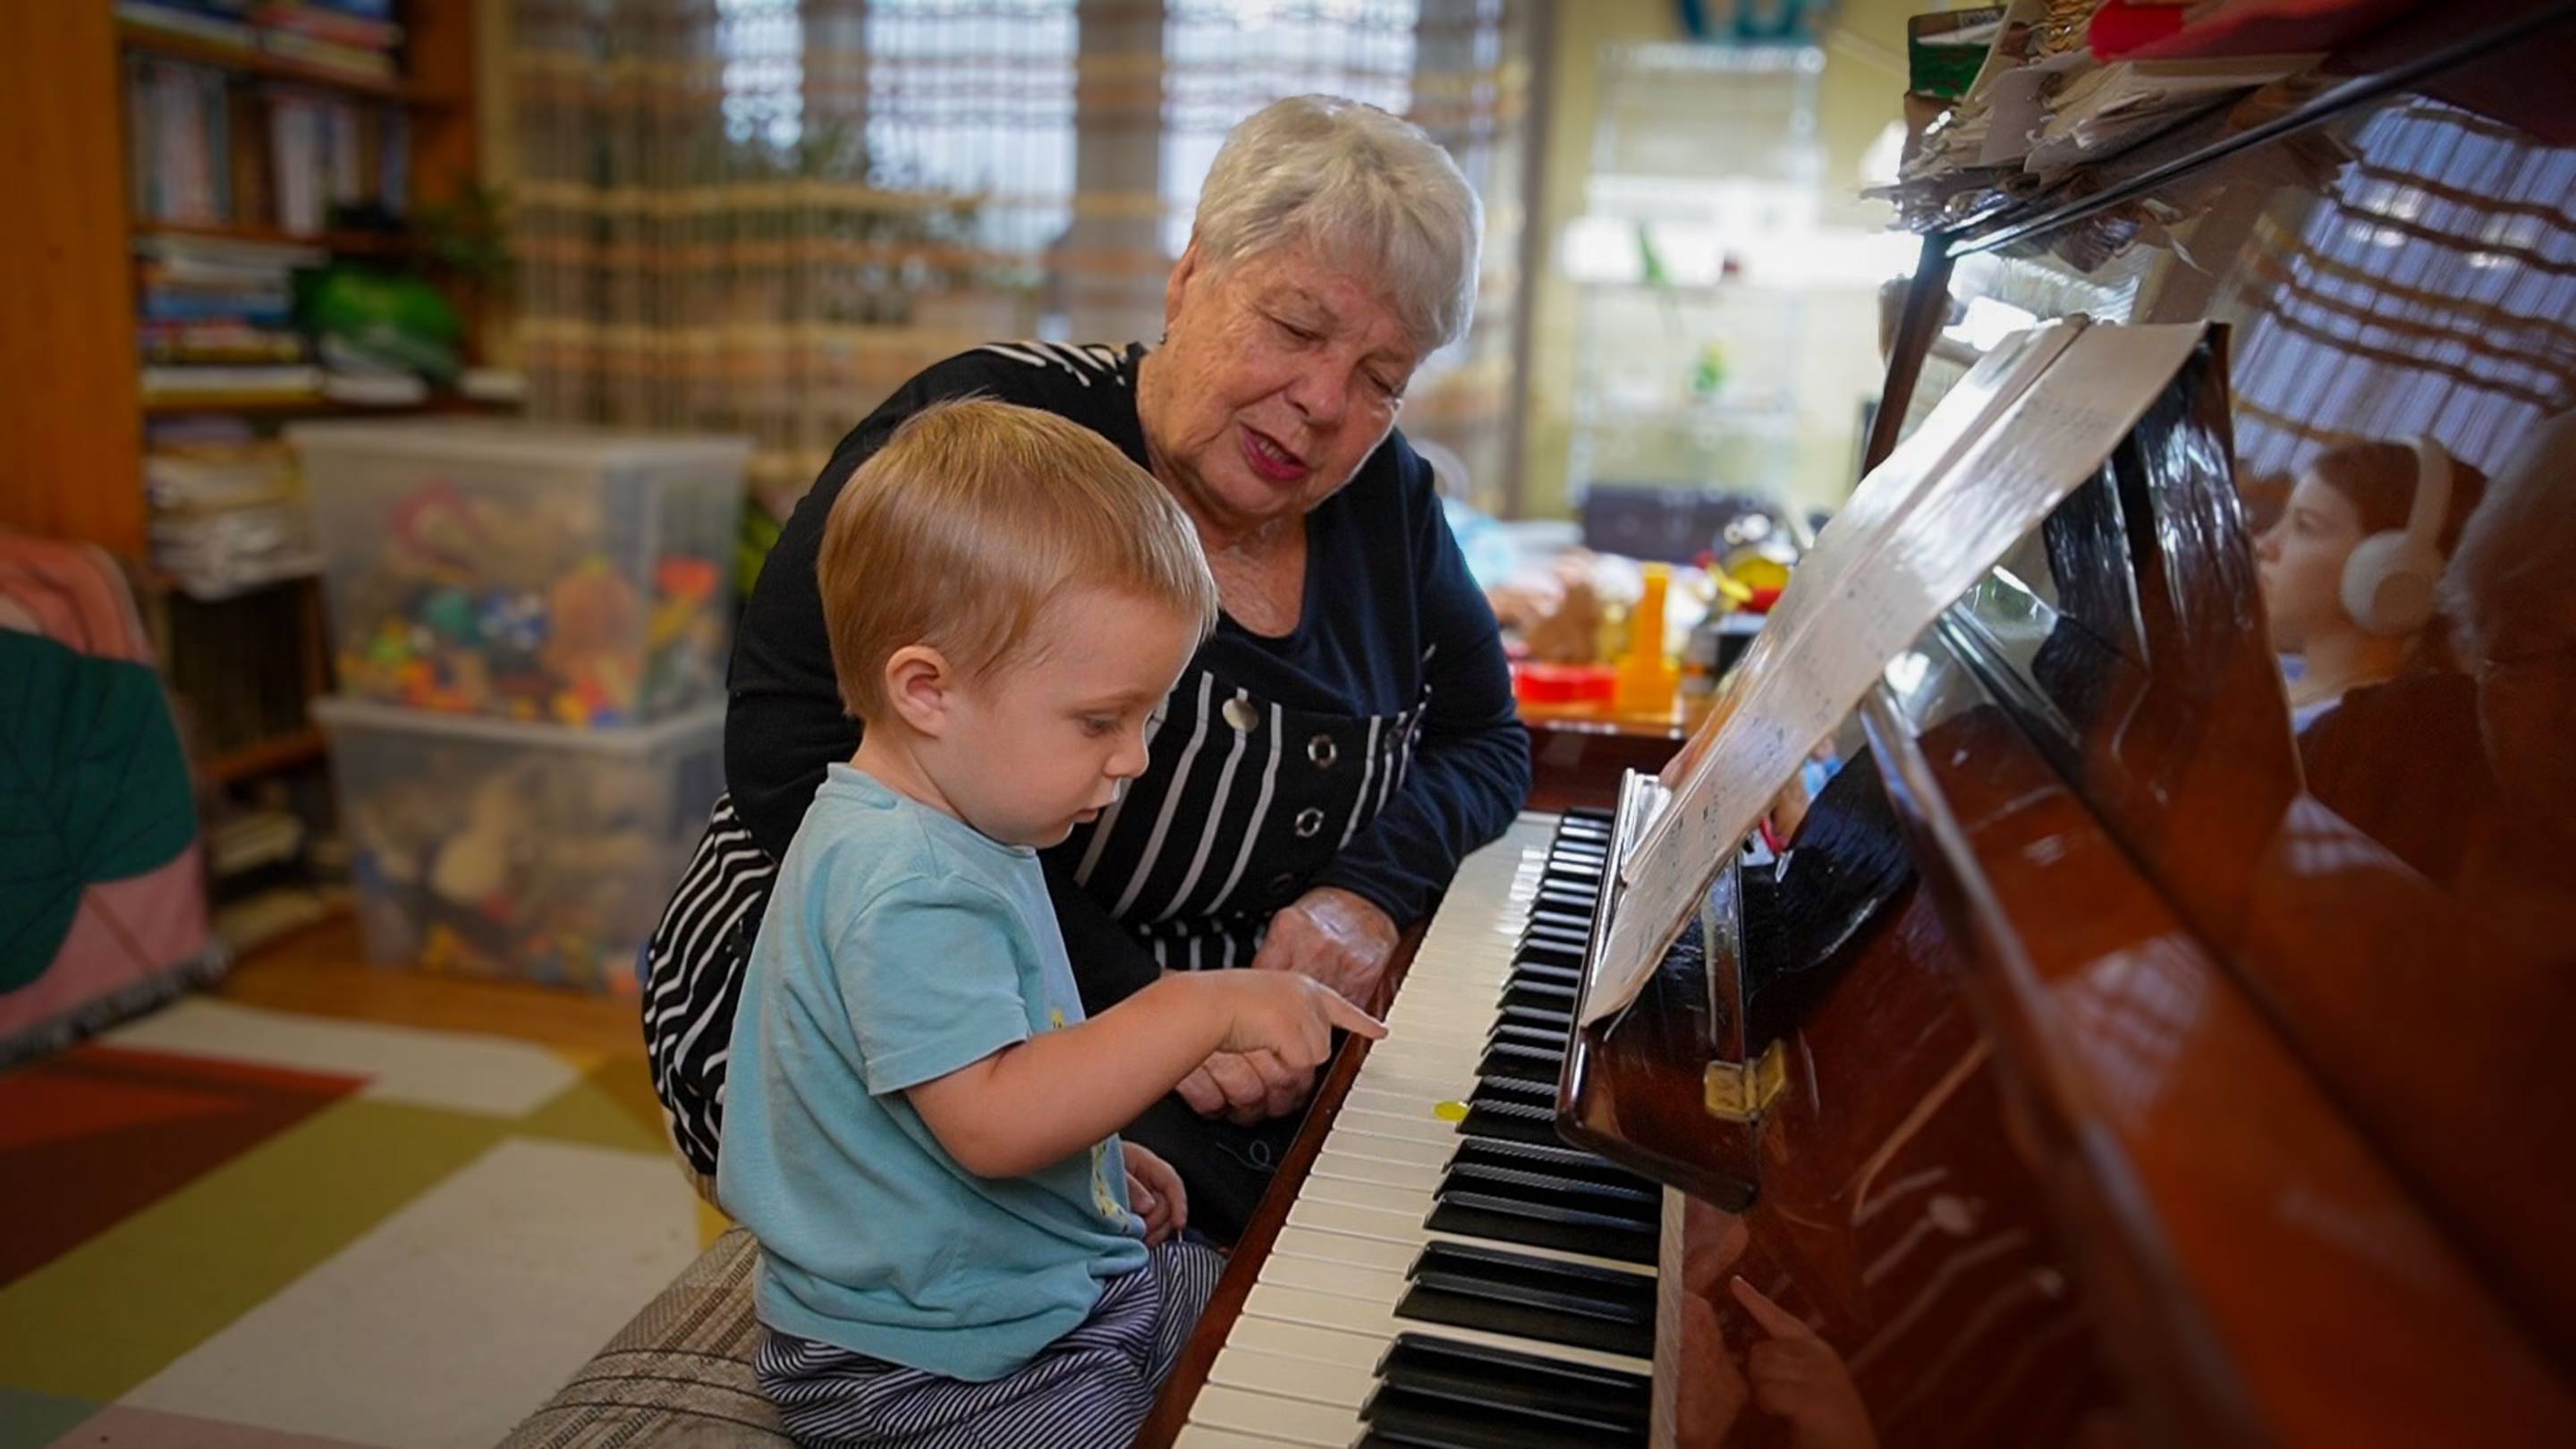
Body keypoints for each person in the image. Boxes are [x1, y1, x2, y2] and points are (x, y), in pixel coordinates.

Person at [645, 95, 1530, 1239]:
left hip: (1208, 1025)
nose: (1325, 403)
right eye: (1299, 329)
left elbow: (1487, 740)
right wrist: (1152, 1013)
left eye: (1382, 377)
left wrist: (1365, 891)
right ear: (1189, 277)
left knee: (1389, 1203)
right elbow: (789, 751)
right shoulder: (995, 434)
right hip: (905, 1008)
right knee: (1238, 1260)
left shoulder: (1387, 498)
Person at [722, 398, 1385, 1448]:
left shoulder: (967, 823)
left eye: (1150, 718)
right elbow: (990, 1121)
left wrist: (1099, 1150)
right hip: (922, 1358)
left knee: (1266, 1314)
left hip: (1028, 1288)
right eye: (1099, 722)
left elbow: (980, 1061)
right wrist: (1195, 1009)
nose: (1133, 759)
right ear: (928, 689)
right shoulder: (902, 881)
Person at [2252, 435, 2493, 886]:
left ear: (2393, 569)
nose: (2266, 543)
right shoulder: (2270, 674)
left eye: (2305, 526)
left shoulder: (2369, 749)